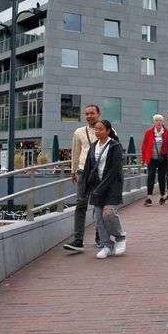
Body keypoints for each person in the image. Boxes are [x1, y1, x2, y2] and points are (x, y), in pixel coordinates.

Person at [79, 119, 126, 259]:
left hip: (112, 186)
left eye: (101, 129)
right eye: (96, 129)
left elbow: (114, 170)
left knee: (109, 214)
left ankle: (120, 238)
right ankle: (107, 245)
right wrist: (84, 190)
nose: (97, 131)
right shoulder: (93, 146)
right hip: (97, 186)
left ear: (108, 130)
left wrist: (101, 187)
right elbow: (88, 168)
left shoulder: (115, 146)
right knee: (98, 217)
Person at [63, 104, 101, 252]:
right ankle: (78, 241)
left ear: (98, 114)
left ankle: (100, 237)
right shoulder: (79, 132)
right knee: (80, 206)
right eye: (87, 114)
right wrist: (73, 171)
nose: (89, 116)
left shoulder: (107, 130)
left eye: (92, 113)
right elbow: (76, 152)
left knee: (99, 206)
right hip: (83, 172)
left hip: (100, 173)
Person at [140, 114, 168, 206]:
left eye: (160, 120)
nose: (158, 122)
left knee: (161, 177)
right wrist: (143, 159)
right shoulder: (149, 132)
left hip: (162, 158)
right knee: (151, 176)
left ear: (162, 122)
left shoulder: (167, 133)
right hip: (152, 158)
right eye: (156, 120)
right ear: (154, 122)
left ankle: (162, 196)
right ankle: (149, 197)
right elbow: (144, 146)